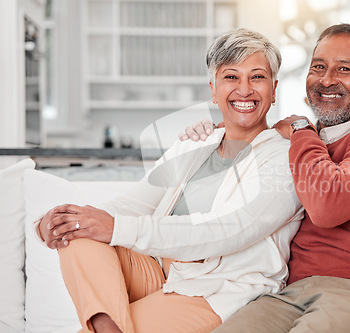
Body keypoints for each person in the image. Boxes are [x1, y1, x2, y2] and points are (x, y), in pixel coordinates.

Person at [34, 28, 303, 333]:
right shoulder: (196, 143)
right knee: (79, 232)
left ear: (274, 88)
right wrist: (57, 219)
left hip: (216, 291)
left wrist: (116, 227)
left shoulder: (285, 157)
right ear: (213, 90)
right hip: (157, 271)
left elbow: (224, 230)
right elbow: (134, 202)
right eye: (231, 77)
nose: (245, 89)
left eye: (257, 77)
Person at [182, 24, 350, 332]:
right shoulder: (301, 142)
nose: (326, 80)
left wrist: (301, 129)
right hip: (291, 292)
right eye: (318, 67)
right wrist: (207, 137)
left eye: (344, 69)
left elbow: (327, 205)